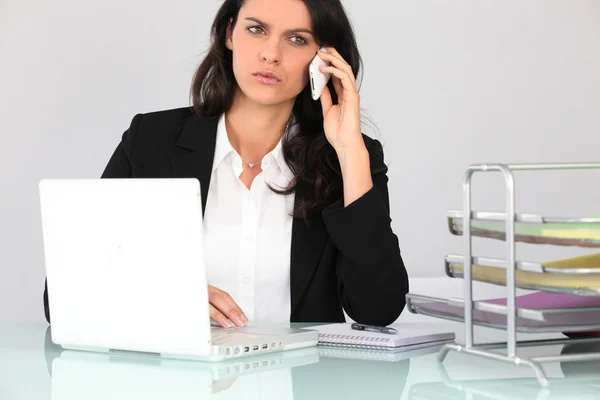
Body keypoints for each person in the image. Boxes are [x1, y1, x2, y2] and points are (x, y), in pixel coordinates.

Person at [43, 0, 409, 328]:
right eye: (256, 29)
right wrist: (170, 297)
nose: (271, 54)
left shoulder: (348, 157)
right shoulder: (150, 140)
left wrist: (349, 151)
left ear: (324, 59)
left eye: (297, 39)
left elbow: (377, 309)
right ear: (229, 33)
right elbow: (60, 295)